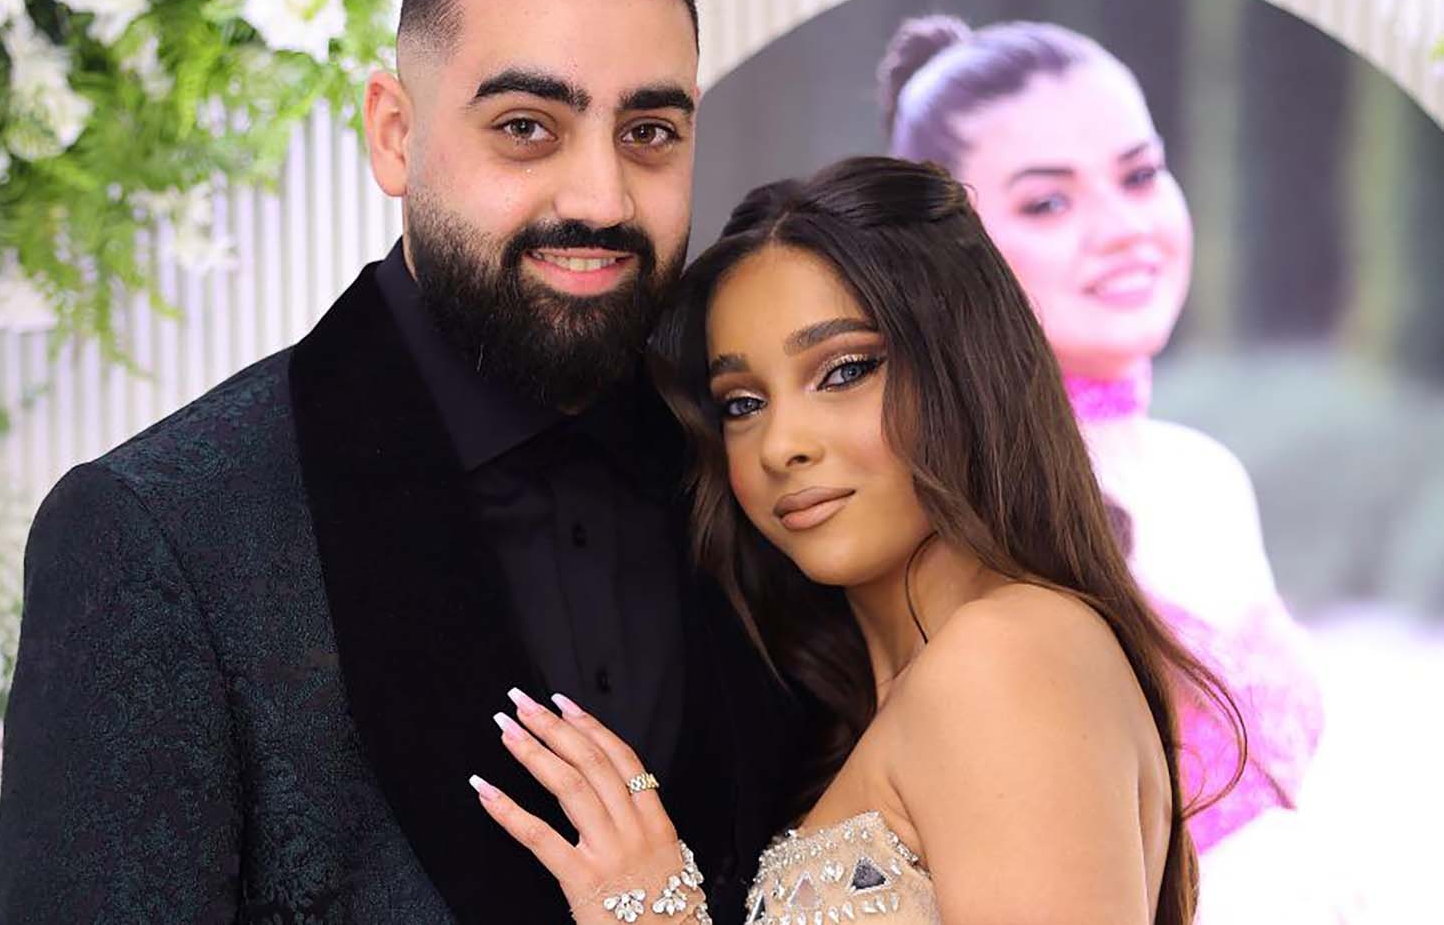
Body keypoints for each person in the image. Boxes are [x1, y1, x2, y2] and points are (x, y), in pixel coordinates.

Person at [0, 0, 796, 922]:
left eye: (648, 131)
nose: (601, 198)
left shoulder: (760, 468)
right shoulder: (157, 533)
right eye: (526, 126)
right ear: (393, 133)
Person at [476, 157, 1235, 924]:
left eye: (843, 371)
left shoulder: (1003, 658)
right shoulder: (889, 694)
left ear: (965, 368)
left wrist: (654, 913)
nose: (782, 446)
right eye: (741, 404)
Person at [876, 16, 1338, 921]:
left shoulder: (1203, 472)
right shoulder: (950, 519)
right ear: (942, 256)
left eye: (1138, 174)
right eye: (1048, 203)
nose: (1124, 229)